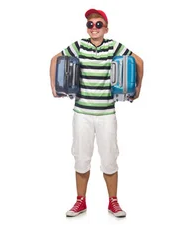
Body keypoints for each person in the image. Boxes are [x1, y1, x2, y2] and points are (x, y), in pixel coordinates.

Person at [49, 8, 144, 218]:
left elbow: (138, 61)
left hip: (106, 113)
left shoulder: (114, 46)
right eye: (90, 24)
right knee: (81, 159)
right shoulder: (79, 45)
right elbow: (55, 59)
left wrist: (137, 89)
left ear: (106, 28)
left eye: (98, 24)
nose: (94, 28)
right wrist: (54, 86)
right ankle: (80, 202)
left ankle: (113, 202)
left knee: (109, 159)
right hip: (82, 113)